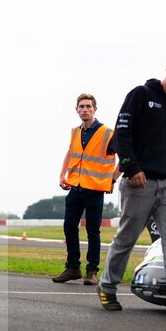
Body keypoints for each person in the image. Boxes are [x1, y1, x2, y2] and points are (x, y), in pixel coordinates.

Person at [97, 54, 166, 317]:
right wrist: (132, 167)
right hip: (139, 183)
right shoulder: (139, 95)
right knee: (126, 238)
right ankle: (107, 286)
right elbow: (121, 135)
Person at [53, 93, 118, 286]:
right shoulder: (75, 132)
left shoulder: (107, 132)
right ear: (77, 110)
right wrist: (62, 175)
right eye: (81, 107)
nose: (85, 110)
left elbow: (125, 156)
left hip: (95, 188)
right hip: (76, 185)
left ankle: (92, 271)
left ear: (95, 109)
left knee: (92, 230)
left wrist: (112, 180)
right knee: (69, 226)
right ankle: (73, 267)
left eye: (88, 106)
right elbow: (70, 152)